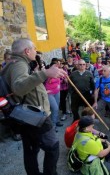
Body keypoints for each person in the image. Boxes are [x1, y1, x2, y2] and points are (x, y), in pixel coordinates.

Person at [1, 38, 66, 175]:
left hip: (26, 116)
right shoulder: (19, 64)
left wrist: (40, 73)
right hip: (34, 116)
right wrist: (45, 73)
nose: (36, 51)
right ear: (27, 51)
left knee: (31, 149)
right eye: (34, 48)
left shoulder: (15, 63)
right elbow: (19, 87)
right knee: (53, 146)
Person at [44, 61, 64, 129]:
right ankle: (53, 126)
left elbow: (60, 80)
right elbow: (47, 81)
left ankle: (56, 121)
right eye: (55, 66)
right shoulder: (48, 74)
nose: (56, 67)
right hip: (50, 93)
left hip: (57, 92)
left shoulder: (57, 72)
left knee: (56, 108)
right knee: (55, 108)